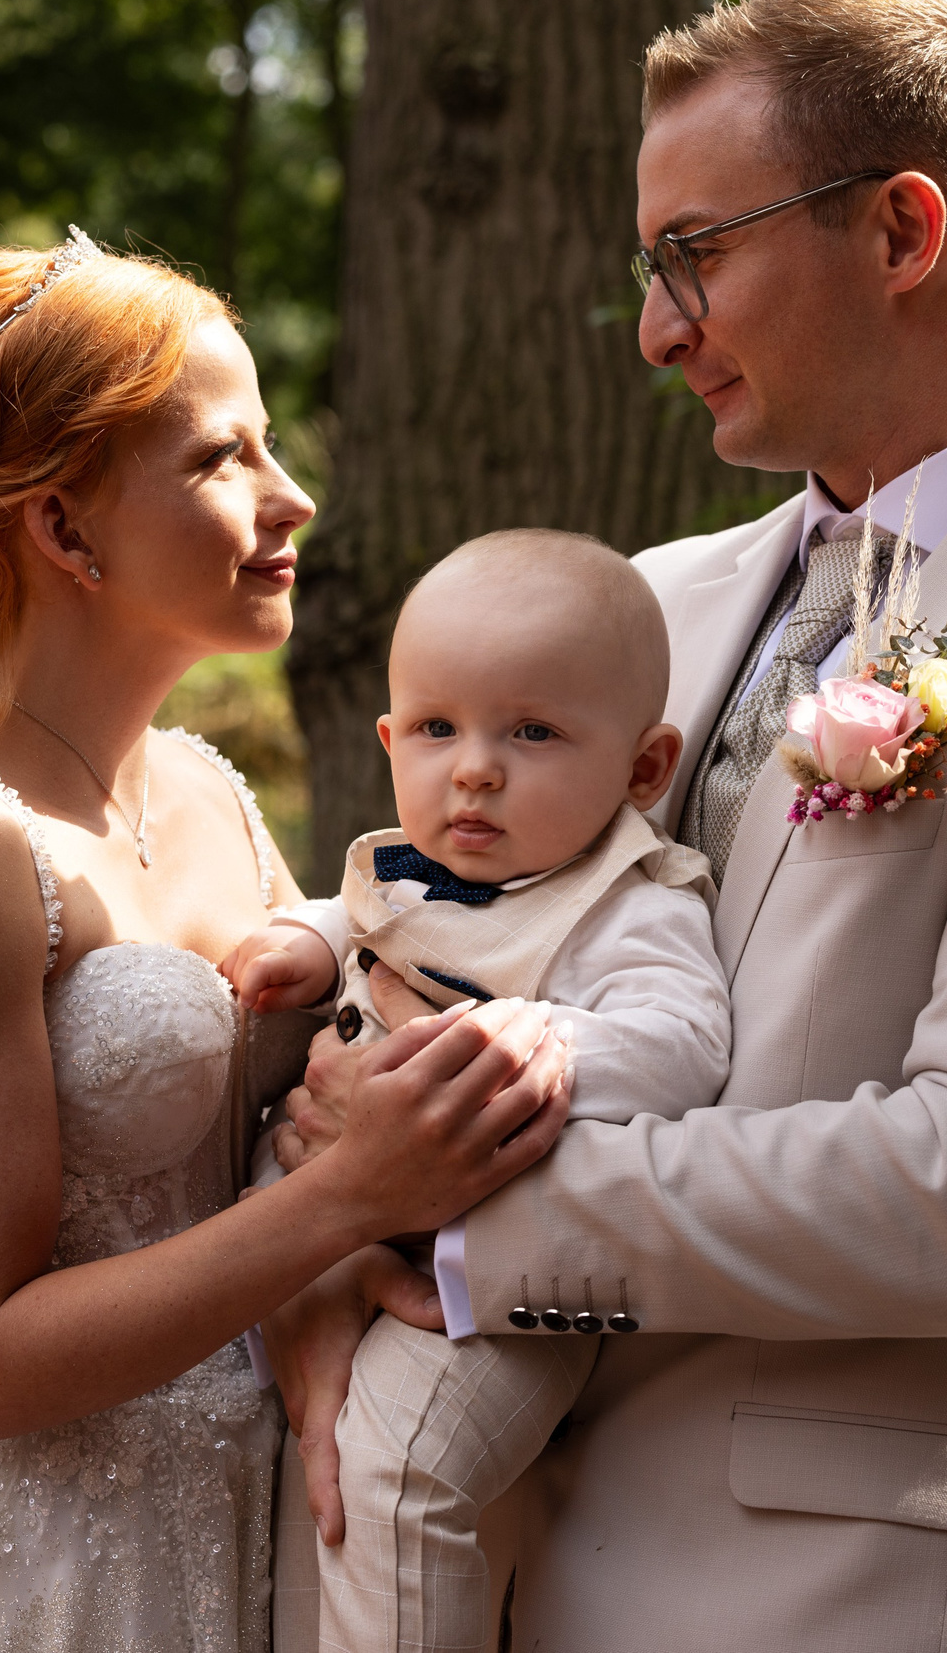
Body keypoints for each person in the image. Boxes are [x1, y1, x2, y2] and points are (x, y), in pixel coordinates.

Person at [262, 0, 947, 1651]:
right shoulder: (641, 607)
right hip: (477, 1566)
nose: (656, 326)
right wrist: (310, 1257)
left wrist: (432, 1209)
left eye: (696, 253)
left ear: (903, 231)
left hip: (832, 1597)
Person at [0, 231, 574, 1653]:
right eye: (223, 460)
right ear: (64, 526)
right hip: (31, 1575)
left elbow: (287, 1121)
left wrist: (333, 1264)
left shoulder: (208, 789)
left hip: (249, 1535)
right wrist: (337, 1209)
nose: (294, 499)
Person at [230, 529, 730, 1652]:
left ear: (647, 768)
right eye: (437, 729)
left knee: (395, 1480)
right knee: (311, 1496)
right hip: (326, 1243)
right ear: (389, 738)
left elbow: (682, 1042)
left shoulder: (630, 902)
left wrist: (526, 1041)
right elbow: (360, 920)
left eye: (533, 732)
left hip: (492, 1286)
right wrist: (309, 943)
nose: (474, 769)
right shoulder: (409, 868)